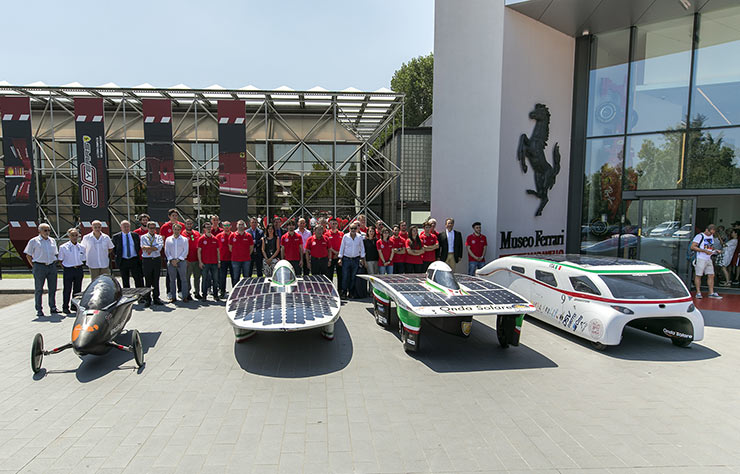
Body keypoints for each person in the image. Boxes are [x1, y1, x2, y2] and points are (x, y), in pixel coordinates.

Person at [24, 223, 59, 317]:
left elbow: (55, 253)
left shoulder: (52, 241)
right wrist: (34, 266)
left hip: (51, 266)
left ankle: (53, 307)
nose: (47, 232)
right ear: (39, 231)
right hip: (39, 266)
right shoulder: (34, 241)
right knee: (39, 289)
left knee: (53, 288)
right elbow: (28, 255)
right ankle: (39, 309)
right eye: (45, 230)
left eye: (48, 230)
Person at [58, 228, 86, 314]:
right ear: (69, 236)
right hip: (68, 269)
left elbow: (84, 258)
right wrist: (66, 268)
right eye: (72, 235)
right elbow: (60, 260)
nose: (74, 237)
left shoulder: (82, 247)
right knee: (67, 289)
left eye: (76, 235)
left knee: (77, 289)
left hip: (78, 269)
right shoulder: (63, 247)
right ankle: (65, 306)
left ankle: (74, 306)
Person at [691, 224, 722, 299]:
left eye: (712, 233)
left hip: (708, 258)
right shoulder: (700, 236)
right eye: (710, 232)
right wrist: (704, 251)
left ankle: (711, 292)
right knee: (698, 275)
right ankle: (698, 292)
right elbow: (693, 246)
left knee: (711, 275)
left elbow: (709, 246)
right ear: (706, 230)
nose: (711, 234)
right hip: (701, 257)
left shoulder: (710, 236)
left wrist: (715, 250)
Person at [160, 209, 185, 298]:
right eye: (173, 215)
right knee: (170, 275)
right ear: (169, 216)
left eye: (176, 215)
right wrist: (169, 255)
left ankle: (180, 291)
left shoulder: (182, 225)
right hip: (170, 255)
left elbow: (184, 240)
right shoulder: (165, 226)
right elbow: (163, 241)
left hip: (180, 255)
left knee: (180, 274)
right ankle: (169, 292)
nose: (174, 217)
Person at [113, 220, 144, 289]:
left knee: (138, 279)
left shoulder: (135, 235)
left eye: (128, 226)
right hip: (123, 260)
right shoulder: (116, 237)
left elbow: (138, 246)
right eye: (124, 226)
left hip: (134, 260)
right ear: (121, 227)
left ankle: (141, 297)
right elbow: (115, 249)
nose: (126, 228)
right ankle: (127, 297)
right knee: (125, 280)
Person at [338, 223, 366, 298]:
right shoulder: (345, 236)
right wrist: (340, 258)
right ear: (349, 229)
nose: (353, 230)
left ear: (357, 229)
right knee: (345, 276)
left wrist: (362, 258)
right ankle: (344, 292)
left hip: (356, 259)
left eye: (354, 228)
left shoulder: (359, 237)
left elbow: (362, 248)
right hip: (346, 259)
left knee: (353, 277)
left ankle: (351, 292)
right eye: (351, 228)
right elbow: (342, 247)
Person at [140, 221, 165, 306]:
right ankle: (148, 299)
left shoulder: (158, 237)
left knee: (156, 279)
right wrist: (153, 248)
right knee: (148, 280)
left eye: (154, 228)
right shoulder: (143, 237)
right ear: (147, 228)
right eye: (150, 228)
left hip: (156, 259)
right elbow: (143, 247)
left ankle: (156, 297)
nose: (152, 230)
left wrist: (149, 248)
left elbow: (159, 247)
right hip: (147, 260)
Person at [165, 223, 190, 303]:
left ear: (180, 230)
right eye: (175, 229)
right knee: (172, 280)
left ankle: (185, 296)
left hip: (181, 261)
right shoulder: (168, 239)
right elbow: (166, 251)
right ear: (173, 229)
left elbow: (185, 251)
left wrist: (178, 260)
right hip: (171, 261)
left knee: (184, 280)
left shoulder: (184, 239)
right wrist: (171, 260)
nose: (177, 231)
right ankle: (173, 297)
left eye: (178, 229)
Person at [197, 222, 220, 301]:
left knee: (215, 279)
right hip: (205, 263)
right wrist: (200, 262)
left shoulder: (215, 239)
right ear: (204, 229)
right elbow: (199, 251)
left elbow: (218, 251)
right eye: (207, 228)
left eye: (210, 228)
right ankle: (204, 295)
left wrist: (219, 261)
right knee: (205, 279)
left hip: (214, 263)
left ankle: (216, 295)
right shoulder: (201, 239)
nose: (209, 229)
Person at [183, 219, 202, 299]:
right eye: (187, 224)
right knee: (187, 278)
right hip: (187, 260)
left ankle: (197, 292)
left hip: (196, 259)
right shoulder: (182, 234)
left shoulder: (197, 233)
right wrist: (184, 259)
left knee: (197, 277)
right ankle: (187, 293)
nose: (189, 225)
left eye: (190, 224)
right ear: (185, 225)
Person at [217, 221, 235, 299]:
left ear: (230, 226)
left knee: (234, 277)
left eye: (228, 225)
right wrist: (218, 260)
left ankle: (234, 292)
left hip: (233, 259)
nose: (227, 227)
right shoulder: (219, 236)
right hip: (223, 259)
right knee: (222, 277)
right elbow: (216, 249)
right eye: (225, 225)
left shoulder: (234, 235)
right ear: (222, 226)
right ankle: (222, 291)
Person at [327, 218, 344, 286]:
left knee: (340, 275)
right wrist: (335, 252)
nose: (334, 225)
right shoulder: (326, 234)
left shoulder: (341, 234)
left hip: (339, 257)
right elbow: (328, 247)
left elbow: (343, 245)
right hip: (330, 258)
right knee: (329, 275)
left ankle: (340, 291)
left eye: (335, 224)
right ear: (330, 224)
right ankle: (330, 291)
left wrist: (339, 254)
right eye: (332, 224)